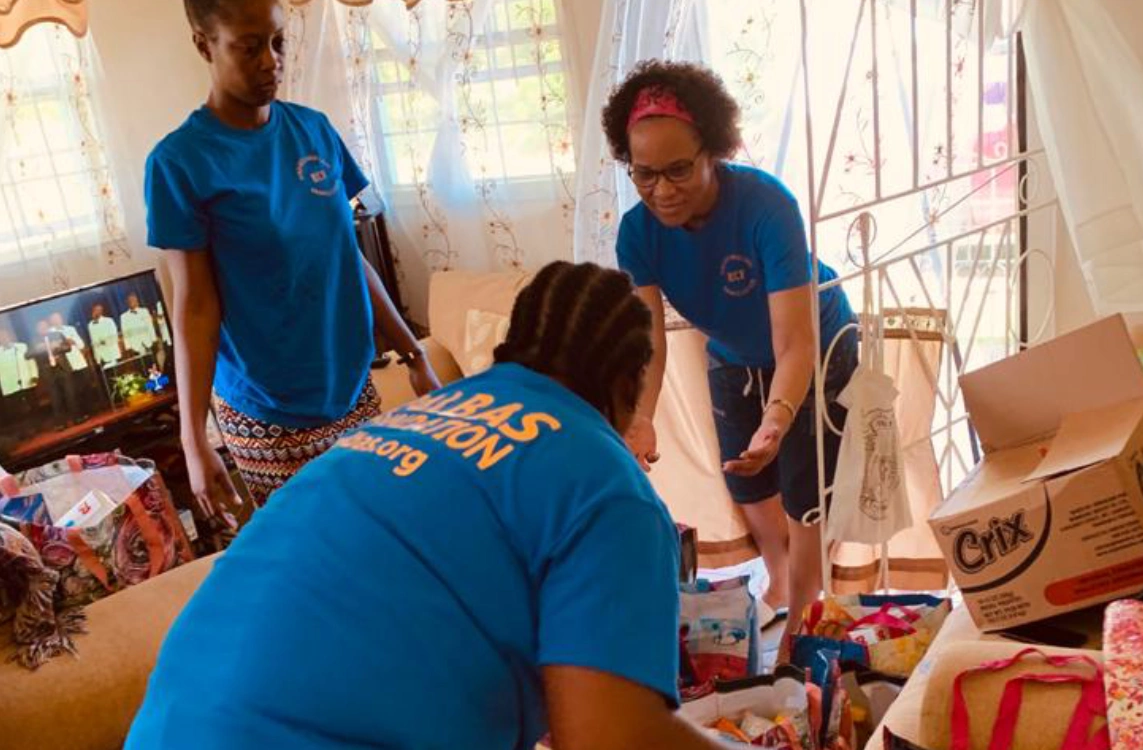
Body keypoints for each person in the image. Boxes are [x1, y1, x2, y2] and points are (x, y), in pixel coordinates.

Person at [127, 262, 730, 750]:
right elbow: (612, 740)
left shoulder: (412, 418)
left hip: (167, 722)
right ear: (629, 388)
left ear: (511, 348)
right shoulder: (609, 483)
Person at [144, 0, 439, 508]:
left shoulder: (315, 130)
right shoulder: (180, 163)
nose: (271, 61)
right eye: (249, 47)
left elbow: (349, 257)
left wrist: (415, 354)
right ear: (203, 45)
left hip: (350, 387)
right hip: (268, 411)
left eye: (279, 42)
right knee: (315, 561)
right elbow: (194, 305)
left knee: (384, 529)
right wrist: (192, 441)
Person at [605, 61, 859, 643]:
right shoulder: (636, 232)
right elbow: (649, 341)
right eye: (644, 175)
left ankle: (802, 615)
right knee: (747, 482)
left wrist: (778, 416)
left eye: (678, 171)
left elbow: (794, 341)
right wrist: (639, 417)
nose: (661, 191)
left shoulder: (766, 205)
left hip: (815, 348)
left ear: (712, 152)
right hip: (733, 352)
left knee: (803, 494)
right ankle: (778, 576)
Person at [87, 304, 123, 369]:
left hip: (111, 354)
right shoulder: (90, 325)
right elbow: (93, 340)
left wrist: (105, 341)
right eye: (94, 310)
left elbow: (114, 336)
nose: (95, 312)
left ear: (101, 312)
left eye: (97, 310)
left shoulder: (108, 321)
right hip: (100, 357)